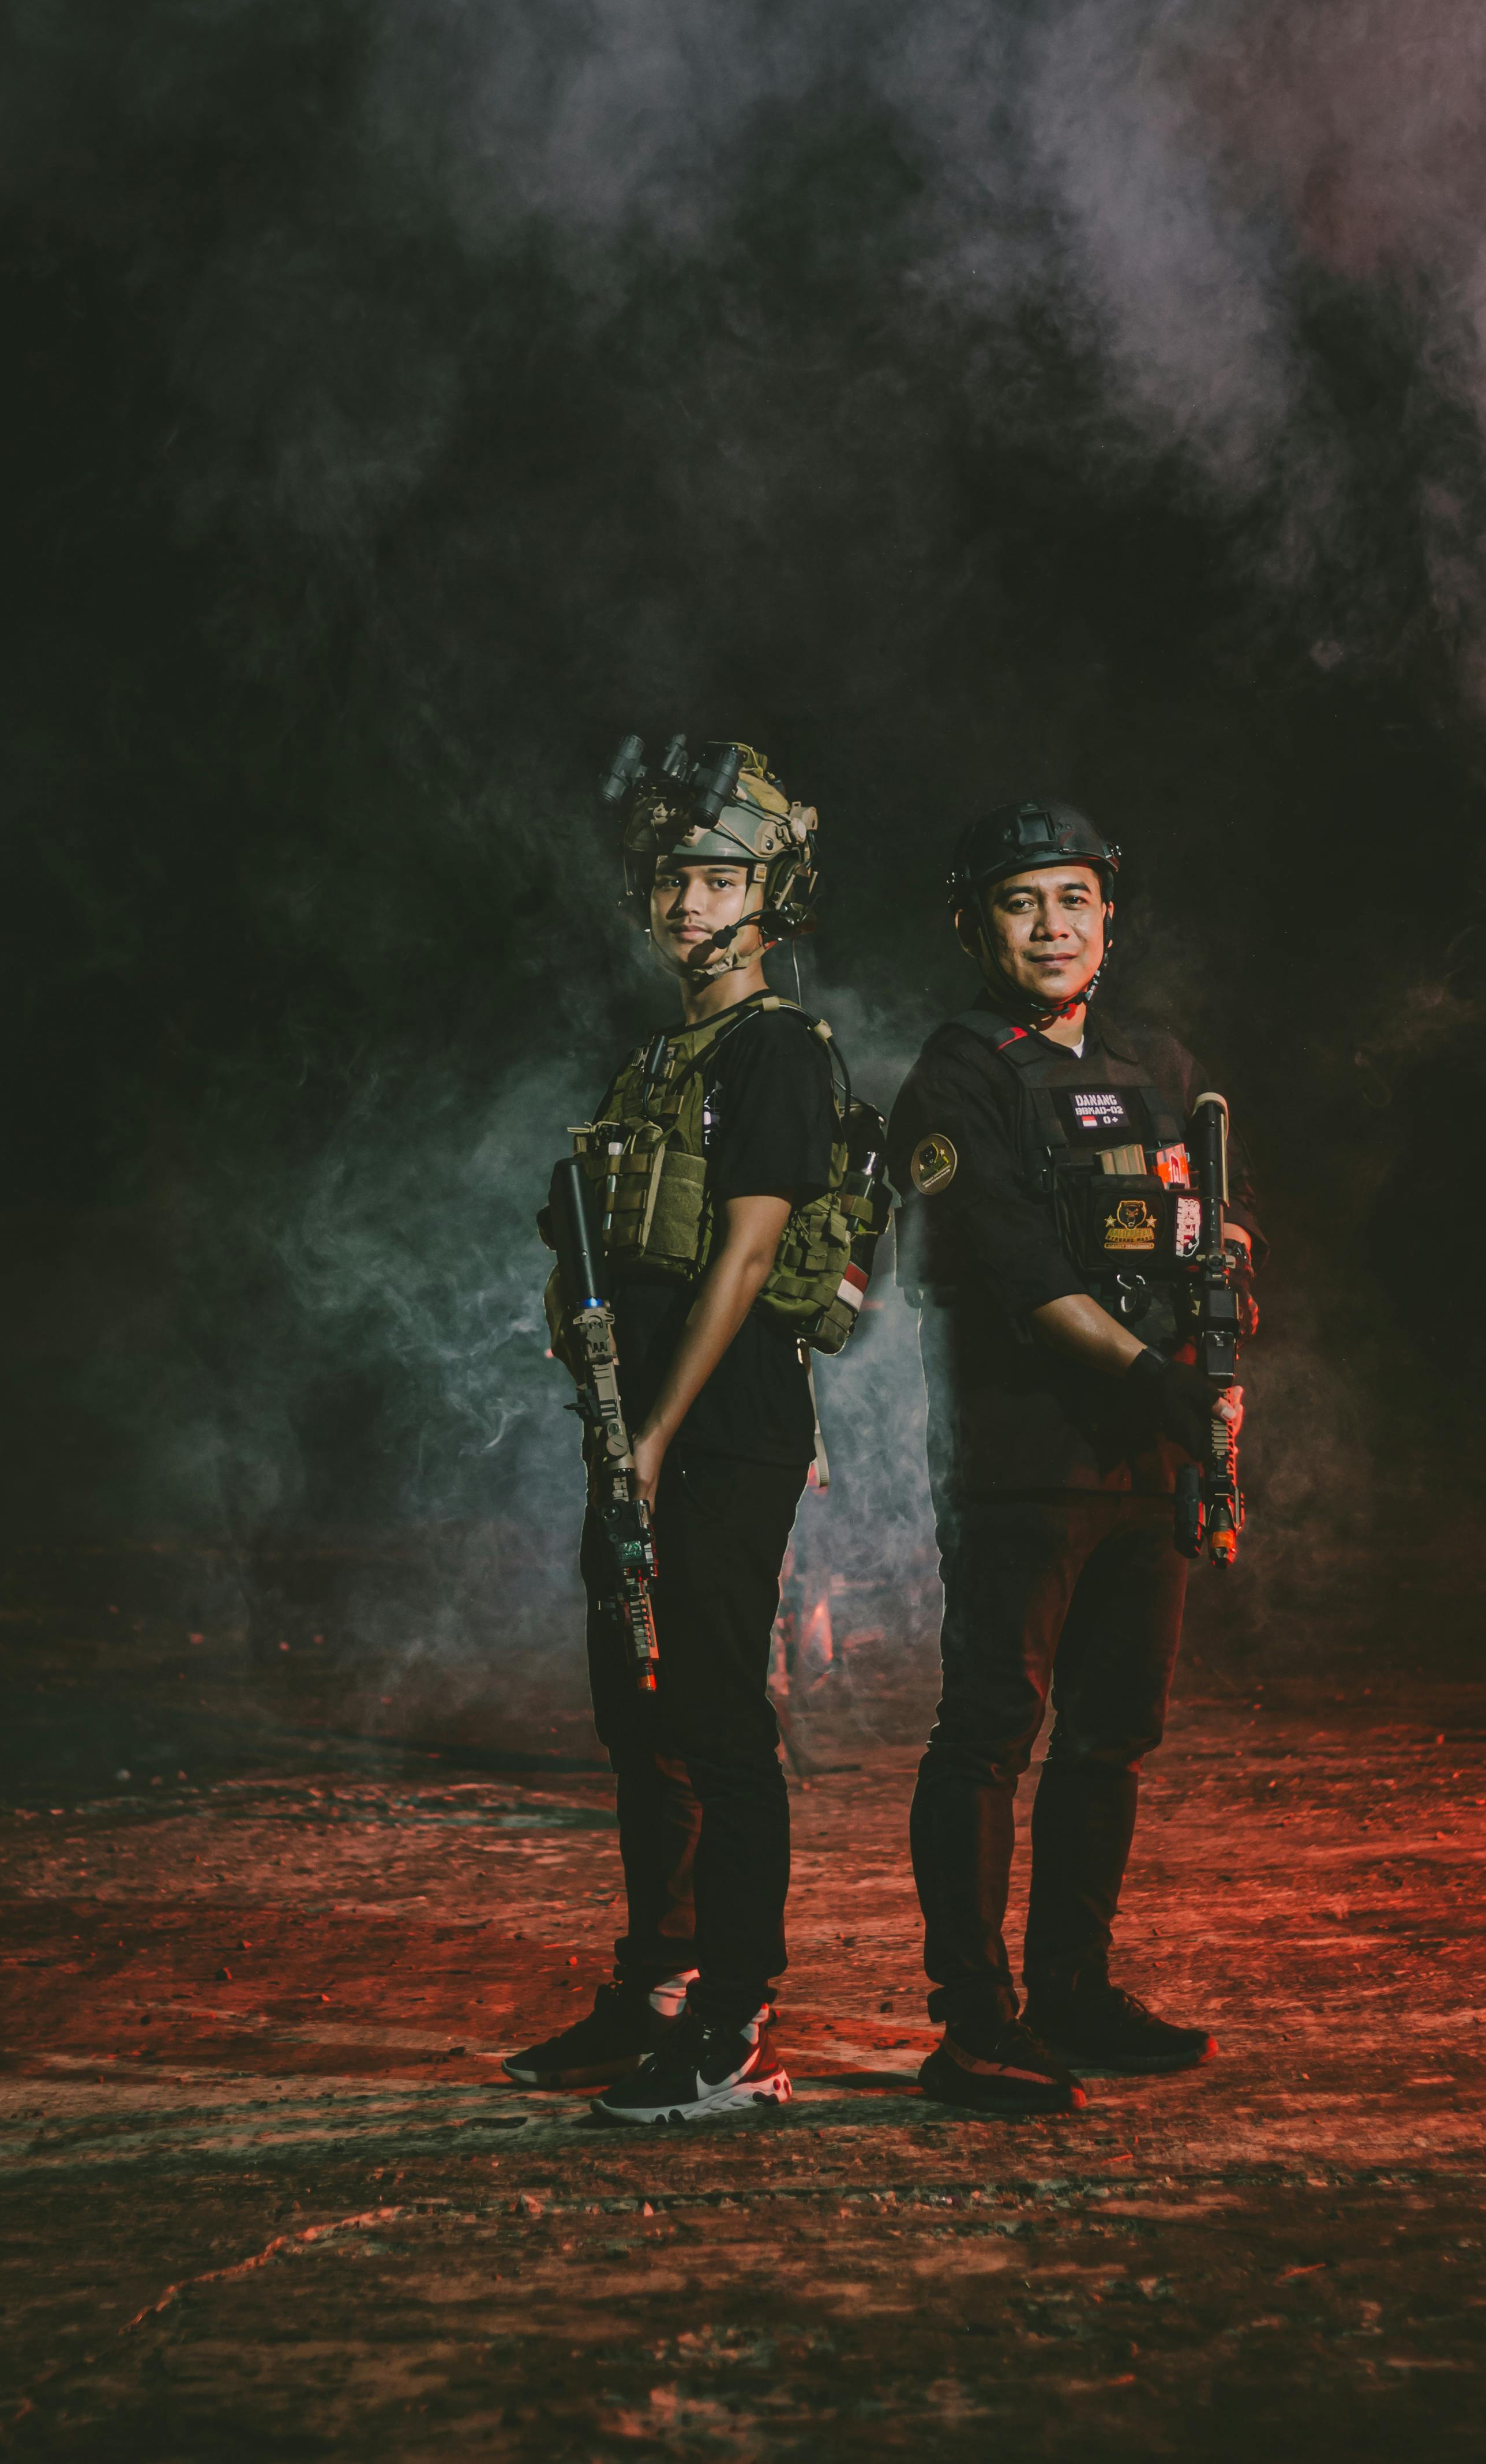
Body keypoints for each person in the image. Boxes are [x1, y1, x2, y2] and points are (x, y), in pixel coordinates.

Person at [888, 798, 1262, 2114]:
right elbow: (1021, 1280)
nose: (1050, 925)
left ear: (1108, 915)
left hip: (1142, 1458)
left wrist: (1223, 1311)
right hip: (1022, 1458)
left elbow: (1202, 1224)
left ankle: (1073, 1994)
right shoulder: (956, 1074)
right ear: (972, 924)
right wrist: (1166, 1385)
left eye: (1073, 899)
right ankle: (974, 2023)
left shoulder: (1151, 1055)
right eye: (1018, 900)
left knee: (1112, 1738)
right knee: (989, 1729)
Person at [504, 743, 840, 2124]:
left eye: (717, 878)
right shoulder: (657, 1056)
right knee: (636, 1717)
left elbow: (750, 1255)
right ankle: (655, 1983)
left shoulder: (777, 1049)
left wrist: (653, 1432)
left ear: (773, 894)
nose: (688, 904)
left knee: (713, 1718)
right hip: (632, 1425)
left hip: (720, 1427)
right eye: (670, 880)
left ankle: (734, 2023)